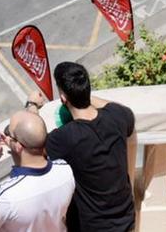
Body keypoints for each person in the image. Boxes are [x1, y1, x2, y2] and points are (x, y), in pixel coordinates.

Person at [42, 62, 136, 232]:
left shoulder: (65, 137)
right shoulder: (118, 117)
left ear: (63, 97)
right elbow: (122, 110)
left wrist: (32, 106)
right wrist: (84, 95)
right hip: (126, 219)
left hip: (93, 227)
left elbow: (33, 141)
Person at [0, 108, 75, 232]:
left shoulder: (7, 197)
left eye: (9, 134)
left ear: (18, 146)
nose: (7, 138)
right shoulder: (67, 171)